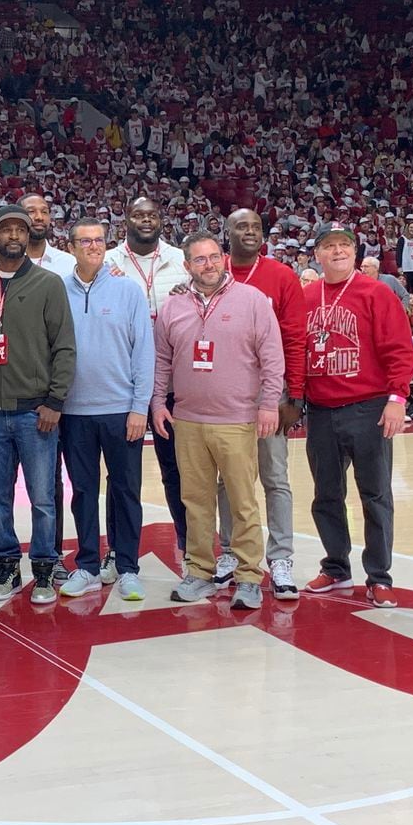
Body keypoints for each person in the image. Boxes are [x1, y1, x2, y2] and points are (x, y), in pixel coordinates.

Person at [151, 232, 283, 610]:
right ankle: (200, 572)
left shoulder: (253, 301)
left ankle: (248, 577)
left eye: (213, 257)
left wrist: (269, 404)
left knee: (243, 502)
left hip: (237, 419)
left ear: (223, 259)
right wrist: (159, 402)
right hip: (188, 420)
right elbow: (162, 360)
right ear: (187, 265)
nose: (207, 265)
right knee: (195, 501)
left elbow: (272, 356)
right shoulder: (174, 305)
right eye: (199, 259)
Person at [300, 221, 413, 608]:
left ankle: (379, 576)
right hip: (319, 409)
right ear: (316, 254)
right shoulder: (307, 296)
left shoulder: (376, 293)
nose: (337, 251)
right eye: (329, 245)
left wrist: (397, 398)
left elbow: (400, 349)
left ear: (355, 252)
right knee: (326, 495)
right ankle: (336, 568)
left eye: (344, 245)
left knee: (376, 494)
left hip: (368, 407)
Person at [0, 204, 76, 604]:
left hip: (36, 412)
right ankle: (6, 566)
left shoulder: (49, 284)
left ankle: (45, 569)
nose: (13, 236)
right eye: (5, 229)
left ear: (30, 235)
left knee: (43, 497)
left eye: (20, 229)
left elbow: (64, 346)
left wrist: (55, 400)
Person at [58, 217, 153, 602]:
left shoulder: (128, 291)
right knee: (82, 491)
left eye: (99, 240)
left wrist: (139, 407)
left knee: (126, 490)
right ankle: (87, 566)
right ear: (71, 247)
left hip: (121, 411)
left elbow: (143, 353)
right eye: (85, 241)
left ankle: (127, 567)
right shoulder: (56, 290)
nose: (93, 247)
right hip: (73, 411)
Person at [214, 209, 306, 599]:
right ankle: (231, 552)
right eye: (241, 226)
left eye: (255, 227)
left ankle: (280, 557)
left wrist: (295, 395)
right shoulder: (212, 271)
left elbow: (296, 337)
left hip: (272, 392)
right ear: (227, 233)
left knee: (274, 477)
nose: (249, 232)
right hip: (224, 393)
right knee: (229, 479)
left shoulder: (282, 276)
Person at [103, 196, 191, 563]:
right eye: (137, 214)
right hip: (124, 384)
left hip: (173, 385)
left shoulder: (180, 262)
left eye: (152, 214)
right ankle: (118, 552)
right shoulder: (107, 262)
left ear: (161, 220)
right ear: (126, 219)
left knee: (179, 471)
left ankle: (189, 544)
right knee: (122, 476)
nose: (145, 220)